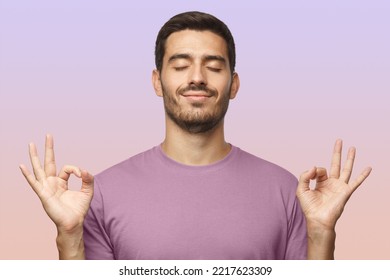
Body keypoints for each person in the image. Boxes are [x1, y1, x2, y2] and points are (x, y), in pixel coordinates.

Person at [20, 11, 372, 260]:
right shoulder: (100, 194)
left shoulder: (286, 191)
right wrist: (68, 234)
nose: (198, 77)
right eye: (181, 65)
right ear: (157, 81)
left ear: (233, 84)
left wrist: (322, 230)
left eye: (214, 66)